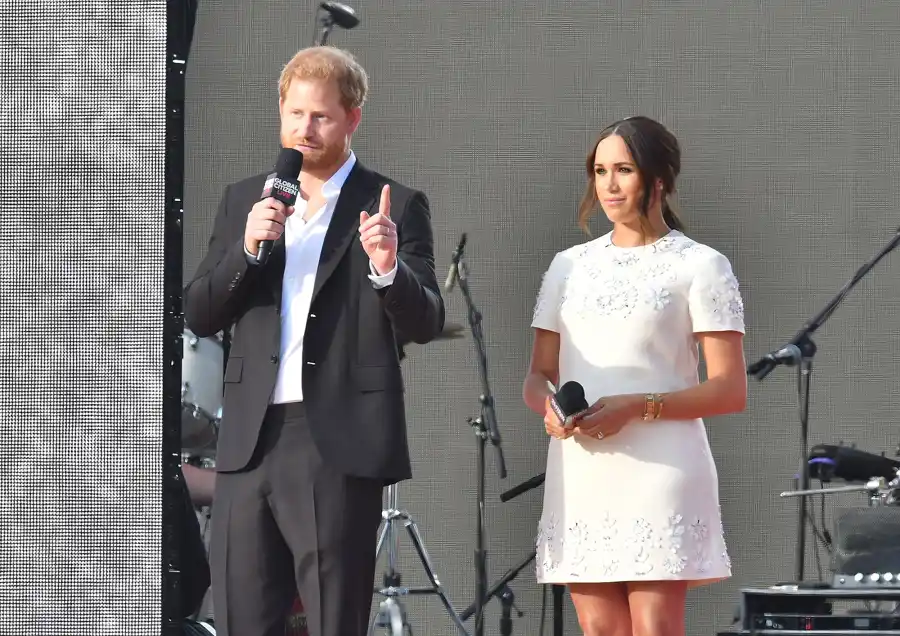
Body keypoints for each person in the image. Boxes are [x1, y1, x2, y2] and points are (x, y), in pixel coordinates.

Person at [183, 45, 444, 636]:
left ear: (352, 119)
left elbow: (426, 319)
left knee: (332, 619)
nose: (305, 128)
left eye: (321, 116)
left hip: (334, 438)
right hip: (248, 438)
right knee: (241, 616)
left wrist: (387, 268)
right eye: (295, 113)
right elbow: (199, 313)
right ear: (280, 112)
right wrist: (247, 252)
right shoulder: (246, 199)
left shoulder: (392, 204)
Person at [523, 116, 747, 636]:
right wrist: (549, 410)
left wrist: (638, 406)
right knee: (599, 630)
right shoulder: (567, 267)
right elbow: (538, 377)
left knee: (654, 628)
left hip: (662, 468)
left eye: (623, 169)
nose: (609, 184)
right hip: (582, 470)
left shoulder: (701, 265)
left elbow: (729, 389)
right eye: (600, 171)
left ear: (659, 179)